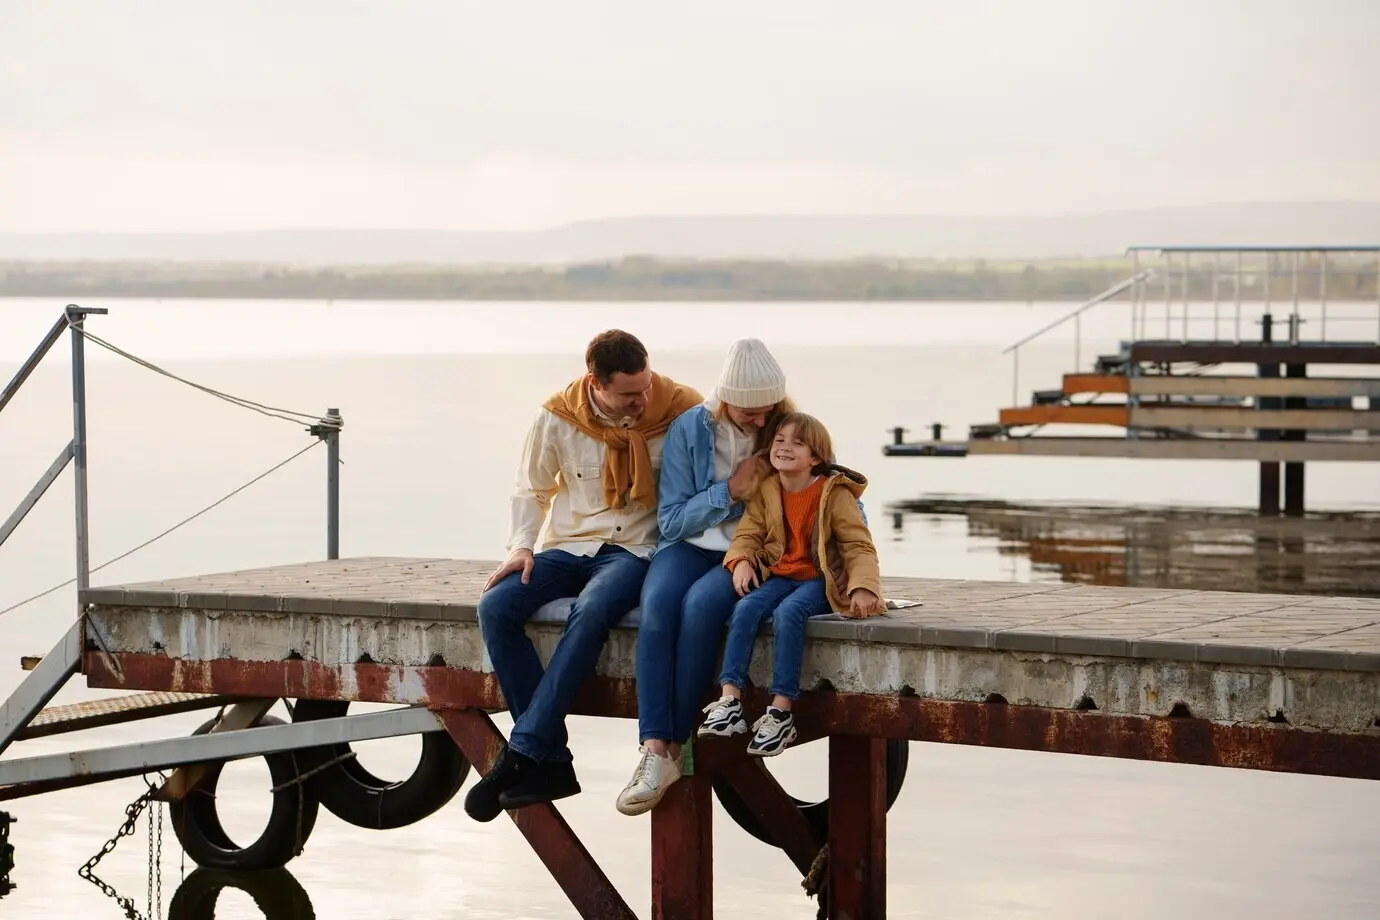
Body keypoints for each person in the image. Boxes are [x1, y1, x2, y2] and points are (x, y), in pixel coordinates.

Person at [465, 329, 702, 822]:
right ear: (595, 382)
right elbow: (530, 488)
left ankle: (526, 750)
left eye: (645, 386)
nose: (642, 400)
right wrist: (521, 547)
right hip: (569, 546)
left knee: (593, 608)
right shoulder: (557, 416)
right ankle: (551, 759)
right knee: (496, 606)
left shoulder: (680, 408)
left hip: (635, 551)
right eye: (629, 394)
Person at [615, 338, 794, 816]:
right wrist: (729, 491)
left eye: (768, 410)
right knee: (657, 610)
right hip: (687, 546)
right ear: (726, 397)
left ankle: (676, 746)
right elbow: (671, 521)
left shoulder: (786, 429)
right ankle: (655, 750)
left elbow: (817, 492)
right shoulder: (688, 429)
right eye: (750, 412)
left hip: (751, 552)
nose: (761, 420)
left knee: (699, 609)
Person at [699, 411, 885, 757]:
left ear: (816, 457)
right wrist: (739, 561)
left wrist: (863, 587)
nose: (784, 448)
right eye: (779, 441)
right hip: (782, 573)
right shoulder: (768, 490)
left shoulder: (835, 494)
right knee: (746, 608)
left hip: (821, 578)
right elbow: (749, 533)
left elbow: (857, 545)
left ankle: (781, 711)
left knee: (790, 613)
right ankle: (730, 702)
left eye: (796, 444)